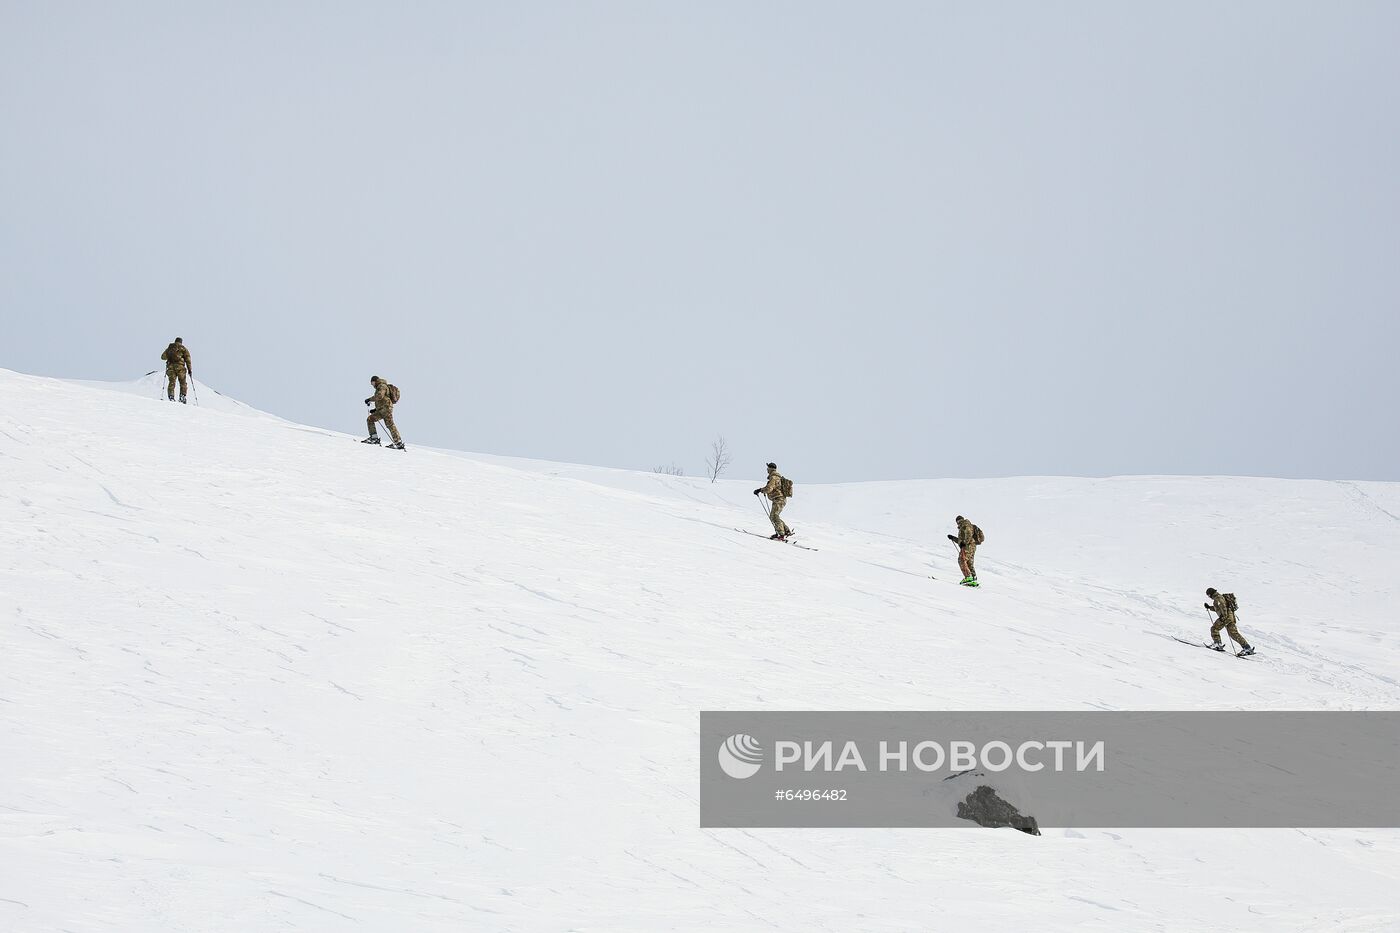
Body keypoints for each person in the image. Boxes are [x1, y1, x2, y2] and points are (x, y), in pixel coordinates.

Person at [1205, 587, 1254, 655]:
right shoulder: (1219, 597)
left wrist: (1223, 616)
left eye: (1208, 595)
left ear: (1210, 594)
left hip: (1226, 618)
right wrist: (1209, 607)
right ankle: (1247, 648)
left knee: (1214, 628)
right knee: (1233, 633)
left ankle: (1217, 644)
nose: (1208, 597)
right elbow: (1218, 608)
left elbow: (1223, 607)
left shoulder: (1218, 598)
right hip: (1231, 617)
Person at [362, 375, 405, 450]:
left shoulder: (381, 386)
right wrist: (375, 410)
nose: (372, 385)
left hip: (386, 408)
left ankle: (398, 442)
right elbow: (381, 401)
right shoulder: (380, 386)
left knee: (390, 424)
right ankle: (374, 438)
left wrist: (369, 399)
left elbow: (379, 396)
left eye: (372, 383)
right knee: (370, 419)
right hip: (382, 409)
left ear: (375, 381)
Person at [753, 462, 793, 540]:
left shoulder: (773, 477)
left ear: (770, 469)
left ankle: (781, 535)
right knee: (774, 516)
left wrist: (760, 490)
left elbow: (769, 488)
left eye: (767, 468)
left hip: (779, 499)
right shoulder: (776, 477)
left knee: (774, 516)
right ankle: (786, 531)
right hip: (780, 499)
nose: (767, 469)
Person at [947, 515, 984, 586]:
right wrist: (953, 538)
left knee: (961, 560)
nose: (958, 523)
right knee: (969, 562)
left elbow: (968, 534)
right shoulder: (965, 525)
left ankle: (968, 577)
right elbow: (961, 541)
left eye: (958, 521)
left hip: (968, 546)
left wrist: (965, 543)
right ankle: (973, 579)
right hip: (972, 546)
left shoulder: (965, 524)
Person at [160, 337, 192, 403]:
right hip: (180, 368)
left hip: (171, 367)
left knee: (172, 382)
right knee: (182, 382)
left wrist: (170, 356)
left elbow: (163, 357)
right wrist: (189, 370)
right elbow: (188, 360)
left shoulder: (170, 348)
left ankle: (171, 396)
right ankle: (182, 397)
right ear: (181, 342)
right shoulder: (183, 349)